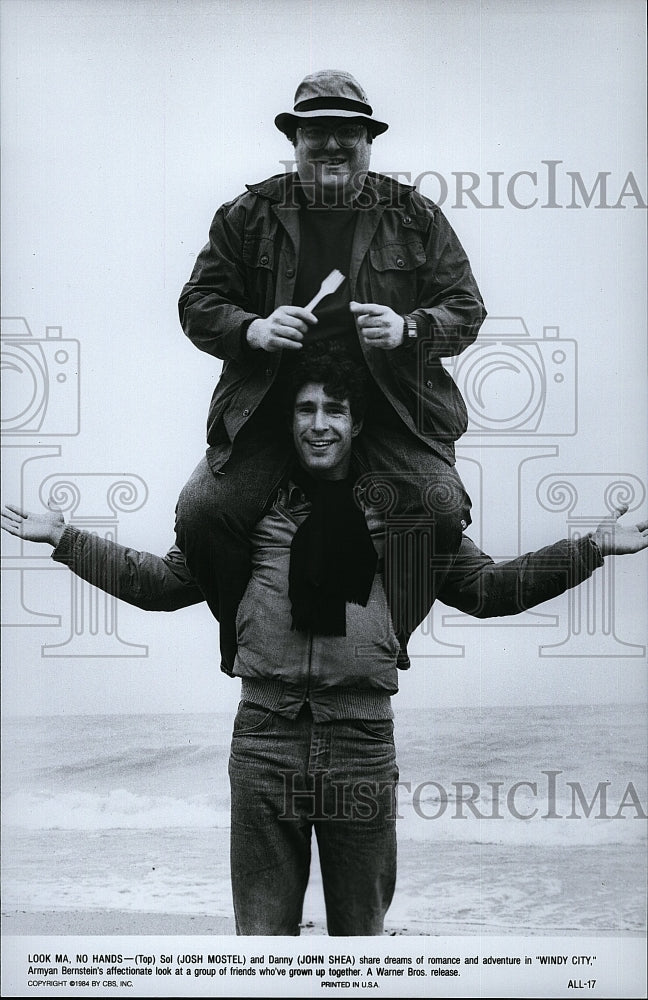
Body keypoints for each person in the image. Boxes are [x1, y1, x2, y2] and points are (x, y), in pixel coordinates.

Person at [3, 353, 647, 937]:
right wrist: (68, 540)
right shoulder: (249, 516)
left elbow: (489, 588)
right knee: (261, 949)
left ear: (357, 423)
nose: (319, 424)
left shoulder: (403, 520)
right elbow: (163, 583)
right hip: (264, 738)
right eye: (305, 410)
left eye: (334, 410)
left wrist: (590, 549)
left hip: (362, 743)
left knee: (359, 948)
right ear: (287, 423)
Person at [174, 69, 487, 676]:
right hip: (273, 405)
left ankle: (391, 634)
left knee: (442, 510)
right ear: (295, 141)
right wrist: (251, 330)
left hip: (390, 405)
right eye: (317, 132)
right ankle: (239, 637)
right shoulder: (246, 214)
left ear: (369, 141)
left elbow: (466, 309)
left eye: (349, 132)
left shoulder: (415, 215)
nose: (333, 145)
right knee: (201, 514)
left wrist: (411, 329)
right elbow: (197, 303)